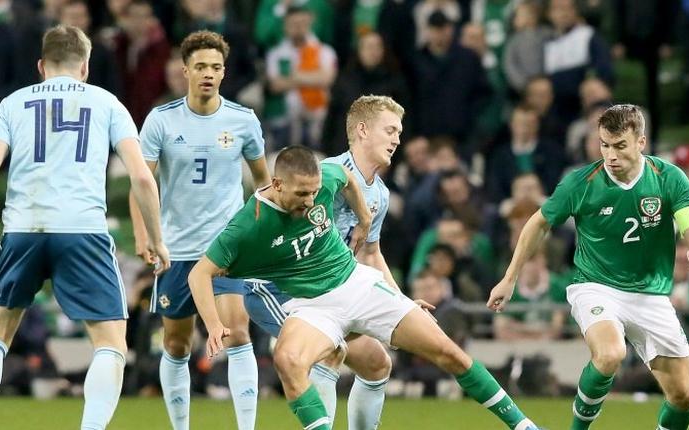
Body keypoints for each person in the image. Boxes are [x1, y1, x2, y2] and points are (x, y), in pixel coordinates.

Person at [190, 146, 540, 430]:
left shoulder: (322, 179)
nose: (311, 201)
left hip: (356, 284)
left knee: (446, 352)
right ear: (276, 185)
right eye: (301, 194)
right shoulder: (247, 227)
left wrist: (364, 217)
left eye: (313, 192)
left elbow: (343, 175)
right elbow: (200, 274)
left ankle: (524, 426)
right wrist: (213, 324)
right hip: (310, 305)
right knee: (288, 359)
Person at [0, 25, 169, 430]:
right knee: (110, 344)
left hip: (23, 229)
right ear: (86, 66)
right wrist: (156, 239)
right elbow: (142, 177)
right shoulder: (107, 102)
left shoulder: (12, 104)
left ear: (41, 65)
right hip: (83, 229)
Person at [489, 104, 689, 430]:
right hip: (596, 286)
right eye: (604, 145)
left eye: (620, 145)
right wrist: (510, 278)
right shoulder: (581, 182)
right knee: (610, 354)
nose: (610, 155)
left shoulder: (669, 178)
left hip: (650, 294)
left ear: (641, 142)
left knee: (684, 397)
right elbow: (537, 223)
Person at [129, 30, 271, 430]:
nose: (208, 73)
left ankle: (246, 426)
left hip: (226, 247)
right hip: (175, 248)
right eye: (201, 66)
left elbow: (263, 184)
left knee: (238, 333)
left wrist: (258, 230)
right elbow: (143, 184)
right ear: (185, 70)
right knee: (176, 344)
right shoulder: (161, 119)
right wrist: (143, 236)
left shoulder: (243, 121)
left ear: (223, 72)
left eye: (216, 67)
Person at [244, 95, 405, 429]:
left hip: (326, 291)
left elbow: (370, 253)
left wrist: (401, 304)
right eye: (390, 130)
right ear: (363, 130)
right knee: (331, 351)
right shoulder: (324, 178)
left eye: (399, 132)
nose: (397, 140)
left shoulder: (380, 194)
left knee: (377, 363)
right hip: (280, 287)